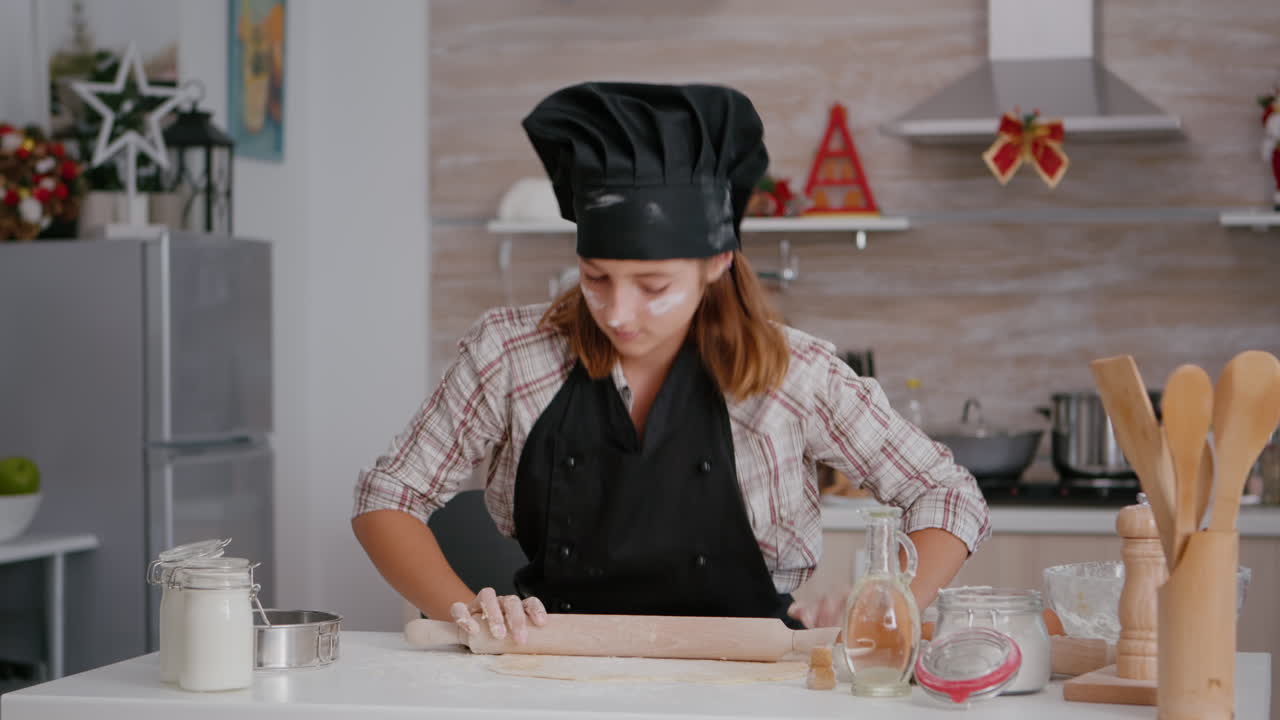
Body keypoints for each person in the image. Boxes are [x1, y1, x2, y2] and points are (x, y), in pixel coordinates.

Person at [352, 82, 990, 644]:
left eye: (653, 286)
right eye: (597, 278)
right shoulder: (510, 353)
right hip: (554, 672)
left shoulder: (797, 373)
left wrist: (894, 602)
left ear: (717, 265)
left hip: (755, 680)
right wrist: (466, 615)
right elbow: (387, 496)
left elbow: (944, 493)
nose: (619, 313)